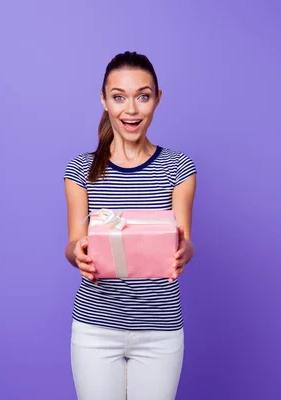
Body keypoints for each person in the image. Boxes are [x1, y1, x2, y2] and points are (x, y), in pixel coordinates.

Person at [63, 51, 197, 400]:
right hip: (95, 327)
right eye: (119, 97)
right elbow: (73, 243)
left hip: (160, 329)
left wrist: (184, 251)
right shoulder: (80, 171)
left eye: (143, 96)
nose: (131, 109)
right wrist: (77, 253)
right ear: (104, 101)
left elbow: (185, 241)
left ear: (157, 99)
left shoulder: (178, 168)